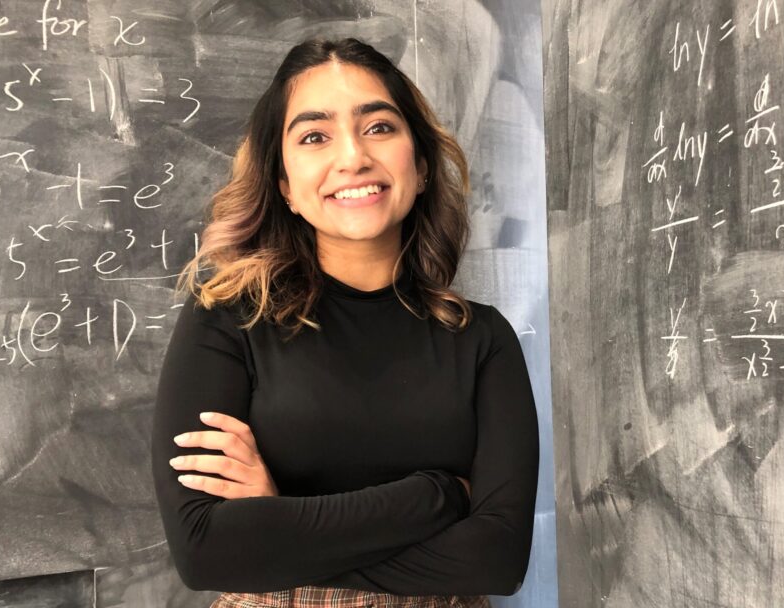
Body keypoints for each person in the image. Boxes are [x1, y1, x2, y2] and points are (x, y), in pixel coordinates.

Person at [148, 37, 539, 608]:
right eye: (314, 136)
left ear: (422, 164)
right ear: (285, 185)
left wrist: (280, 523)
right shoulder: (229, 317)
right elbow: (206, 551)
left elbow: (497, 560)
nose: (352, 156)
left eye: (379, 127)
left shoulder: (482, 339)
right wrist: (437, 496)